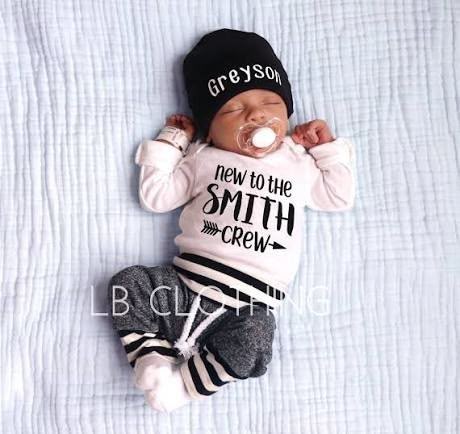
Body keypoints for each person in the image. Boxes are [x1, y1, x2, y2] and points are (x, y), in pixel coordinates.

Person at [108, 28, 356, 413]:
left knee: (257, 338)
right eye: (233, 109)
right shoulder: (202, 157)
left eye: (270, 102)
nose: (256, 114)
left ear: (287, 113)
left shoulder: (297, 162)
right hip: (181, 289)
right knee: (129, 284)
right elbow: (156, 197)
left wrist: (326, 148)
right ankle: (151, 358)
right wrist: (173, 140)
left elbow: (338, 196)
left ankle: (184, 387)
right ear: (209, 126)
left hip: (244, 310)